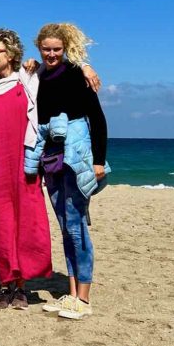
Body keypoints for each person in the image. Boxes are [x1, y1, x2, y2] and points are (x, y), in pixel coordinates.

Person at [23, 22, 109, 321]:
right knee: (64, 225)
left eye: (56, 49)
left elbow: (97, 119)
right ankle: (71, 293)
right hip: (51, 156)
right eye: (46, 49)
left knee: (76, 224)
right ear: (39, 47)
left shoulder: (76, 74)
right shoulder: (39, 76)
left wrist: (99, 160)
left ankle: (83, 297)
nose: (51, 54)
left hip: (76, 157)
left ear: (65, 48)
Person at [0, 27, 53, 310]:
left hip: (24, 164)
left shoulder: (28, 79)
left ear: (10, 54)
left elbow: (59, 69)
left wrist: (85, 67)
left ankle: (22, 286)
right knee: (1, 226)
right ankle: (5, 284)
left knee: (27, 223)